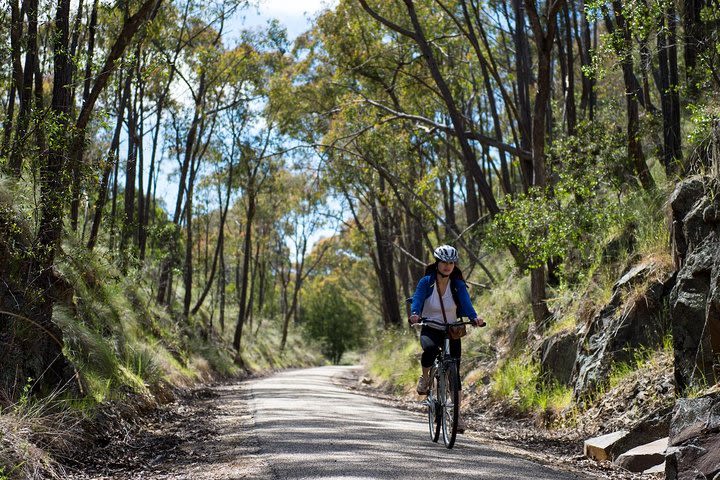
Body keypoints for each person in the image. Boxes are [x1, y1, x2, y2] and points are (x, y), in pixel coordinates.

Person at [408, 245, 485, 433]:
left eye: (451, 263)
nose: (448, 266)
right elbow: (417, 299)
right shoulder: (427, 282)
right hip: (430, 327)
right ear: (437, 263)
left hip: (451, 330)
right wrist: (415, 314)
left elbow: (466, 303)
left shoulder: (457, 284)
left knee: (454, 372)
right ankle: (426, 379)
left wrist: (474, 317)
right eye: (444, 262)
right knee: (430, 349)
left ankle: (457, 418)